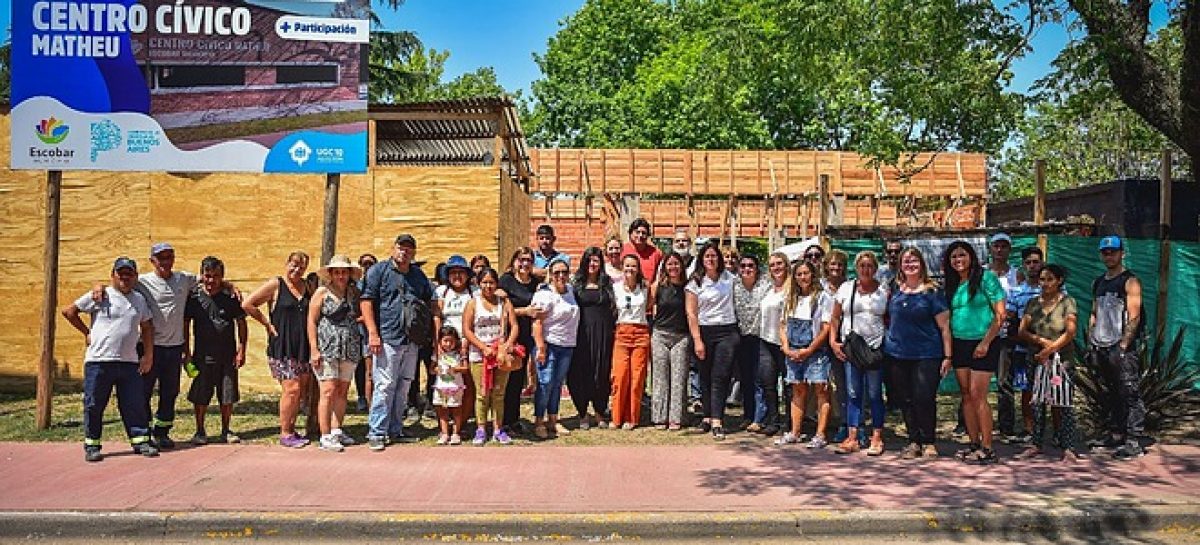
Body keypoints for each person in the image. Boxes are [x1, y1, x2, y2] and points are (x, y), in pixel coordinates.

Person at [62, 257, 158, 462]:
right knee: (94, 404)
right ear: (112, 275)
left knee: (134, 403)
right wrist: (86, 332)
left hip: (129, 362)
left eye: (129, 273)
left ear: (135, 277)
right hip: (99, 361)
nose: (125, 276)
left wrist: (148, 355)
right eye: (121, 272)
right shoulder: (101, 295)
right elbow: (69, 312)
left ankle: (140, 441)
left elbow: (148, 327)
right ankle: (92, 445)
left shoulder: (139, 300)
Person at [360, 234, 435, 451]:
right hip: (387, 338)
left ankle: (395, 428)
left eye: (410, 248)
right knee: (384, 385)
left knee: (404, 385)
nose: (405, 251)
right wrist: (373, 333)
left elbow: (431, 299)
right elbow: (366, 302)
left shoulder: (418, 275)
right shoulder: (379, 271)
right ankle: (376, 431)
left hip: (411, 340)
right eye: (401, 247)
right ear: (394, 248)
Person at [886, 248, 953, 460]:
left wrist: (948, 356)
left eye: (914, 260)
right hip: (897, 354)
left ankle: (929, 441)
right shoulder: (895, 289)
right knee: (905, 399)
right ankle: (913, 441)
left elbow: (945, 327)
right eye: (906, 261)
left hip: (927, 354)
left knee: (924, 397)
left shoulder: (932, 292)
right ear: (900, 265)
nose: (910, 264)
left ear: (922, 264)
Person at [242, 251, 313, 448]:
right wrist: (266, 323)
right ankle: (285, 433)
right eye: (294, 265)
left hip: (303, 346)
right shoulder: (276, 284)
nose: (297, 270)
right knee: (291, 389)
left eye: (301, 266)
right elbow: (248, 304)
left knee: (300, 391)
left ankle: (292, 428)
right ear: (286, 263)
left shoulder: (307, 286)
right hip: (282, 345)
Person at [943, 241, 1006, 464]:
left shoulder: (986, 278)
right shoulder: (951, 284)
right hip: (960, 344)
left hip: (984, 342)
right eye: (953, 257)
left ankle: (988, 447)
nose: (958, 260)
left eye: (962, 255)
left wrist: (986, 342)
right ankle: (974, 443)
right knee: (966, 395)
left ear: (971, 256)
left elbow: (1000, 315)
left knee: (979, 394)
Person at [1088, 236, 1147, 460]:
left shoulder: (1129, 281)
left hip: (1121, 347)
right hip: (1102, 344)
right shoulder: (1099, 282)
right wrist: (1092, 340)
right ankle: (1116, 432)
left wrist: (1123, 345)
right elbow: (1094, 312)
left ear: (1122, 253)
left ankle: (1133, 439)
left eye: (1113, 252)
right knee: (1111, 390)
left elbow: (1135, 314)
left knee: (1129, 391)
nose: (1109, 256)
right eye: (1105, 252)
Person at [1016, 264, 1080, 461]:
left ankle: (1067, 446)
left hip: (1062, 360)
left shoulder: (1068, 302)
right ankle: (1036, 443)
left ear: (1059, 280)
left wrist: (1051, 349)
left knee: (1064, 402)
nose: (1044, 283)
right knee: (1037, 402)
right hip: (1036, 359)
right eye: (1042, 279)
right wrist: (1041, 342)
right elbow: (1022, 330)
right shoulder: (1033, 303)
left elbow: (1070, 331)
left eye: (1049, 279)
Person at [828, 252, 888, 456]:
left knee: (874, 394)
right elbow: (835, 318)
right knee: (853, 393)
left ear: (876, 268)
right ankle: (852, 436)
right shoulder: (846, 288)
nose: (866, 269)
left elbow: (889, 317)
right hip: (852, 348)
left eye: (870, 265)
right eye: (862, 265)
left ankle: (877, 437)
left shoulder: (883, 289)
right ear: (856, 267)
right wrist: (833, 342)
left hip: (875, 348)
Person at [183, 256, 248, 446]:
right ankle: (200, 430)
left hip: (227, 356)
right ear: (202, 275)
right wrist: (186, 353)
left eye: (216, 276)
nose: (211, 280)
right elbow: (185, 326)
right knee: (200, 396)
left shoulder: (231, 298)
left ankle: (226, 430)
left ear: (222, 277)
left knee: (227, 395)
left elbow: (241, 323)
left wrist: (242, 349)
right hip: (202, 356)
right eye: (208, 275)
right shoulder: (193, 298)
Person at [685, 240, 741, 440]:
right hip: (704, 332)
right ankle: (707, 416)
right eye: (707, 256)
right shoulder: (695, 282)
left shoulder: (730, 278)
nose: (711, 259)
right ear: (702, 259)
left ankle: (718, 419)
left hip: (727, 331)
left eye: (714, 256)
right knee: (705, 376)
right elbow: (691, 314)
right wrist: (698, 340)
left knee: (721, 375)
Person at [306, 255, 362, 452]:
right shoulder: (322, 293)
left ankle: (337, 429)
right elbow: (311, 321)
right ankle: (325, 433)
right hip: (327, 347)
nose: (341, 275)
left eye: (344, 272)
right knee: (328, 390)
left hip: (349, 345)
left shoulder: (353, 293)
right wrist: (314, 349)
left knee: (342, 390)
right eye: (337, 272)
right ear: (330, 274)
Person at [775, 260, 833, 448]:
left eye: (806, 273)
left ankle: (820, 434)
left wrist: (810, 349)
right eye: (799, 274)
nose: (802, 277)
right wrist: (785, 347)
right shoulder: (790, 298)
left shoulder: (823, 297)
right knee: (797, 391)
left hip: (815, 350)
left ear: (813, 275)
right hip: (793, 350)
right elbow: (782, 325)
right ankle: (795, 432)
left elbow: (825, 328)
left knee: (821, 390)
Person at [463, 267, 520, 445]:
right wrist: (482, 347)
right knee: (482, 393)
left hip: (500, 353)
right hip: (480, 355)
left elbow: (515, 326)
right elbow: (466, 329)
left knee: (498, 393)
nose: (488, 286)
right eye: (485, 282)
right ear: (479, 283)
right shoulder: (473, 303)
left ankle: (498, 428)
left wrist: (507, 345)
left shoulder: (504, 302)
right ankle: (481, 428)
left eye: (492, 282)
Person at [999, 247, 1045, 444]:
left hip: (1048, 347)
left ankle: (1054, 430)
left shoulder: (1055, 289)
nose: (1032, 266)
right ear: (1023, 266)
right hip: (1022, 347)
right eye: (1028, 262)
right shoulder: (1017, 292)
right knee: (1026, 389)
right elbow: (1009, 317)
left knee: (1049, 390)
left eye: (1035, 261)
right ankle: (1029, 429)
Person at [531, 259, 581, 439]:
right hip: (548, 344)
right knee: (545, 383)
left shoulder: (571, 292)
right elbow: (537, 322)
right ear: (550, 275)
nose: (561, 276)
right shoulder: (544, 295)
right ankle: (539, 421)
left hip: (567, 345)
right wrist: (540, 347)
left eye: (564, 272)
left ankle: (553, 419)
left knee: (557, 384)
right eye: (557, 272)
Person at [569, 246, 616, 431]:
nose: (592, 264)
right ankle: (582, 413)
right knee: (581, 373)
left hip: (604, 334)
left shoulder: (607, 283)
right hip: (582, 334)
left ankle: (599, 411)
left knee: (601, 373)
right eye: (589, 260)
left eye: (596, 260)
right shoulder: (576, 284)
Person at [498, 247, 540, 434]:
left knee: (519, 379)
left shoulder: (535, 283)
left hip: (527, 336)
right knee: (508, 378)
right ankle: (504, 421)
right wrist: (524, 311)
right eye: (521, 259)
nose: (525, 264)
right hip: (509, 336)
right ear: (514, 261)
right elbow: (499, 311)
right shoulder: (505, 281)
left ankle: (514, 419)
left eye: (529, 260)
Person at [434, 255, 478, 425]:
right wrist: (437, 343)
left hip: (468, 343)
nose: (457, 276)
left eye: (461, 272)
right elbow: (437, 317)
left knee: (466, 385)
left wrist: (468, 341)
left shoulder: (474, 293)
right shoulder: (442, 292)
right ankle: (445, 424)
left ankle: (463, 423)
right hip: (445, 345)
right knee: (443, 382)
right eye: (453, 272)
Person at [650, 252, 692, 430]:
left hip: (681, 337)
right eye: (670, 264)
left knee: (678, 378)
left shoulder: (688, 287)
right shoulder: (658, 286)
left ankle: (676, 417)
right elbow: (648, 307)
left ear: (681, 266)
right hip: (660, 334)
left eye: (676, 264)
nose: (673, 267)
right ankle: (659, 417)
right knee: (660, 378)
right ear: (664, 267)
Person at [610, 254, 652, 429]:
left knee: (637, 378)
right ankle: (617, 417)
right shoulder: (615, 288)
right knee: (620, 376)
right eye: (627, 266)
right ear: (622, 267)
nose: (630, 269)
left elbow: (649, 306)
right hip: (622, 332)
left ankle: (632, 418)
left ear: (638, 269)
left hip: (641, 333)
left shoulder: (645, 287)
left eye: (633, 266)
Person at [753, 252, 791, 435]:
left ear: (786, 265)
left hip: (785, 342)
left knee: (788, 384)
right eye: (772, 265)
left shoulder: (792, 289)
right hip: (766, 340)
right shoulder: (767, 288)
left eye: (779, 264)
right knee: (768, 382)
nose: (776, 268)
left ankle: (790, 422)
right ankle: (773, 420)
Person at [732, 253, 768, 430]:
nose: (747, 269)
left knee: (760, 379)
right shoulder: (734, 285)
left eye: (751, 265)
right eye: (743, 266)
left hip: (761, 337)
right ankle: (748, 414)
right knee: (745, 378)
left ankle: (760, 417)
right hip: (741, 337)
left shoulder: (765, 285)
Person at [822, 249, 852, 444]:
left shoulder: (851, 286)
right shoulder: (819, 287)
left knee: (846, 385)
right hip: (821, 339)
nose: (836, 268)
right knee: (822, 385)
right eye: (832, 264)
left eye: (839, 264)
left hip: (844, 340)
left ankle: (847, 424)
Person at [431, 326, 468, 445]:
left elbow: (466, 368)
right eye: (445, 341)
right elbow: (431, 369)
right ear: (440, 341)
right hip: (441, 386)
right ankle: (445, 433)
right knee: (442, 410)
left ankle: (456, 433)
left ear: (456, 341)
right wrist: (437, 369)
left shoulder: (459, 354)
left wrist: (457, 369)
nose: (448, 344)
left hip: (455, 386)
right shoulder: (437, 354)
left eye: (451, 341)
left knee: (456, 409)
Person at [354, 253, 378, 412]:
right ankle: (366, 401)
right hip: (362, 334)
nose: (367, 266)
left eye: (370, 263)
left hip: (379, 333)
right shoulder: (357, 287)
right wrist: (364, 318)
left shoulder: (379, 284)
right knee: (365, 370)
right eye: (365, 264)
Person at [622, 218, 664, 282]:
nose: (640, 235)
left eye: (643, 233)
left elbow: (661, 274)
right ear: (630, 234)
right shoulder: (622, 250)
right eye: (637, 232)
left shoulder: (656, 253)